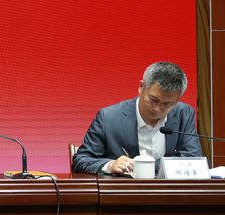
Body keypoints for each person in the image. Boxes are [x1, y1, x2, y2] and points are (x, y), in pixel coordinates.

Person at [72, 62, 201, 175]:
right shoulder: (108, 117)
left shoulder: (184, 113)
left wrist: (141, 167)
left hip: (169, 192)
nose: (157, 108)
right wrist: (110, 165)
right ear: (141, 87)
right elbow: (81, 160)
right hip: (123, 191)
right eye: (153, 100)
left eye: (168, 104)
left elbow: (192, 159)